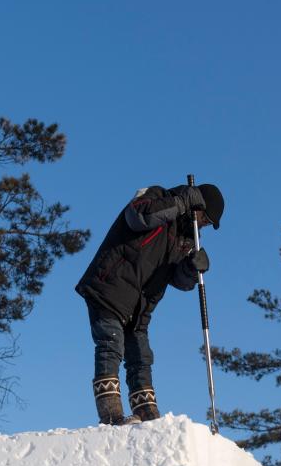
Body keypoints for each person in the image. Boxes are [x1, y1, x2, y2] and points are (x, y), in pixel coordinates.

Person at [75, 182, 225, 425]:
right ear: (196, 204)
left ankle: (147, 415)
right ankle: (111, 416)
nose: (204, 224)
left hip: (140, 305)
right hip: (110, 286)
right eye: (205, 217)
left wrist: (191, 268)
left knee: (141, 357)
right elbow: (138, 217)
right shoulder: (158, 197)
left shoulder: (186, 238)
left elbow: (178, 279)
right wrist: (181, 202)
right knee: (110, 344)